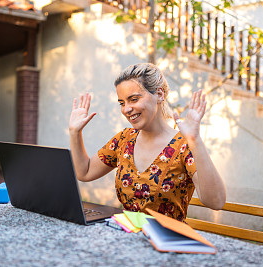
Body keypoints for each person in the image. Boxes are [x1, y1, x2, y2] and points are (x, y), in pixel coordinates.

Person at [69, 63, 226, 221]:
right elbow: (85, 172)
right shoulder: (123, 139)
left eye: (134, 99)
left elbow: (216, 201)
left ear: (159, 94)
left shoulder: (184, 145)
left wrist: (195, 140)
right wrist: (75, 132)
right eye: (122, 103)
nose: (126, 109)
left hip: (167, 241)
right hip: (126, 237)